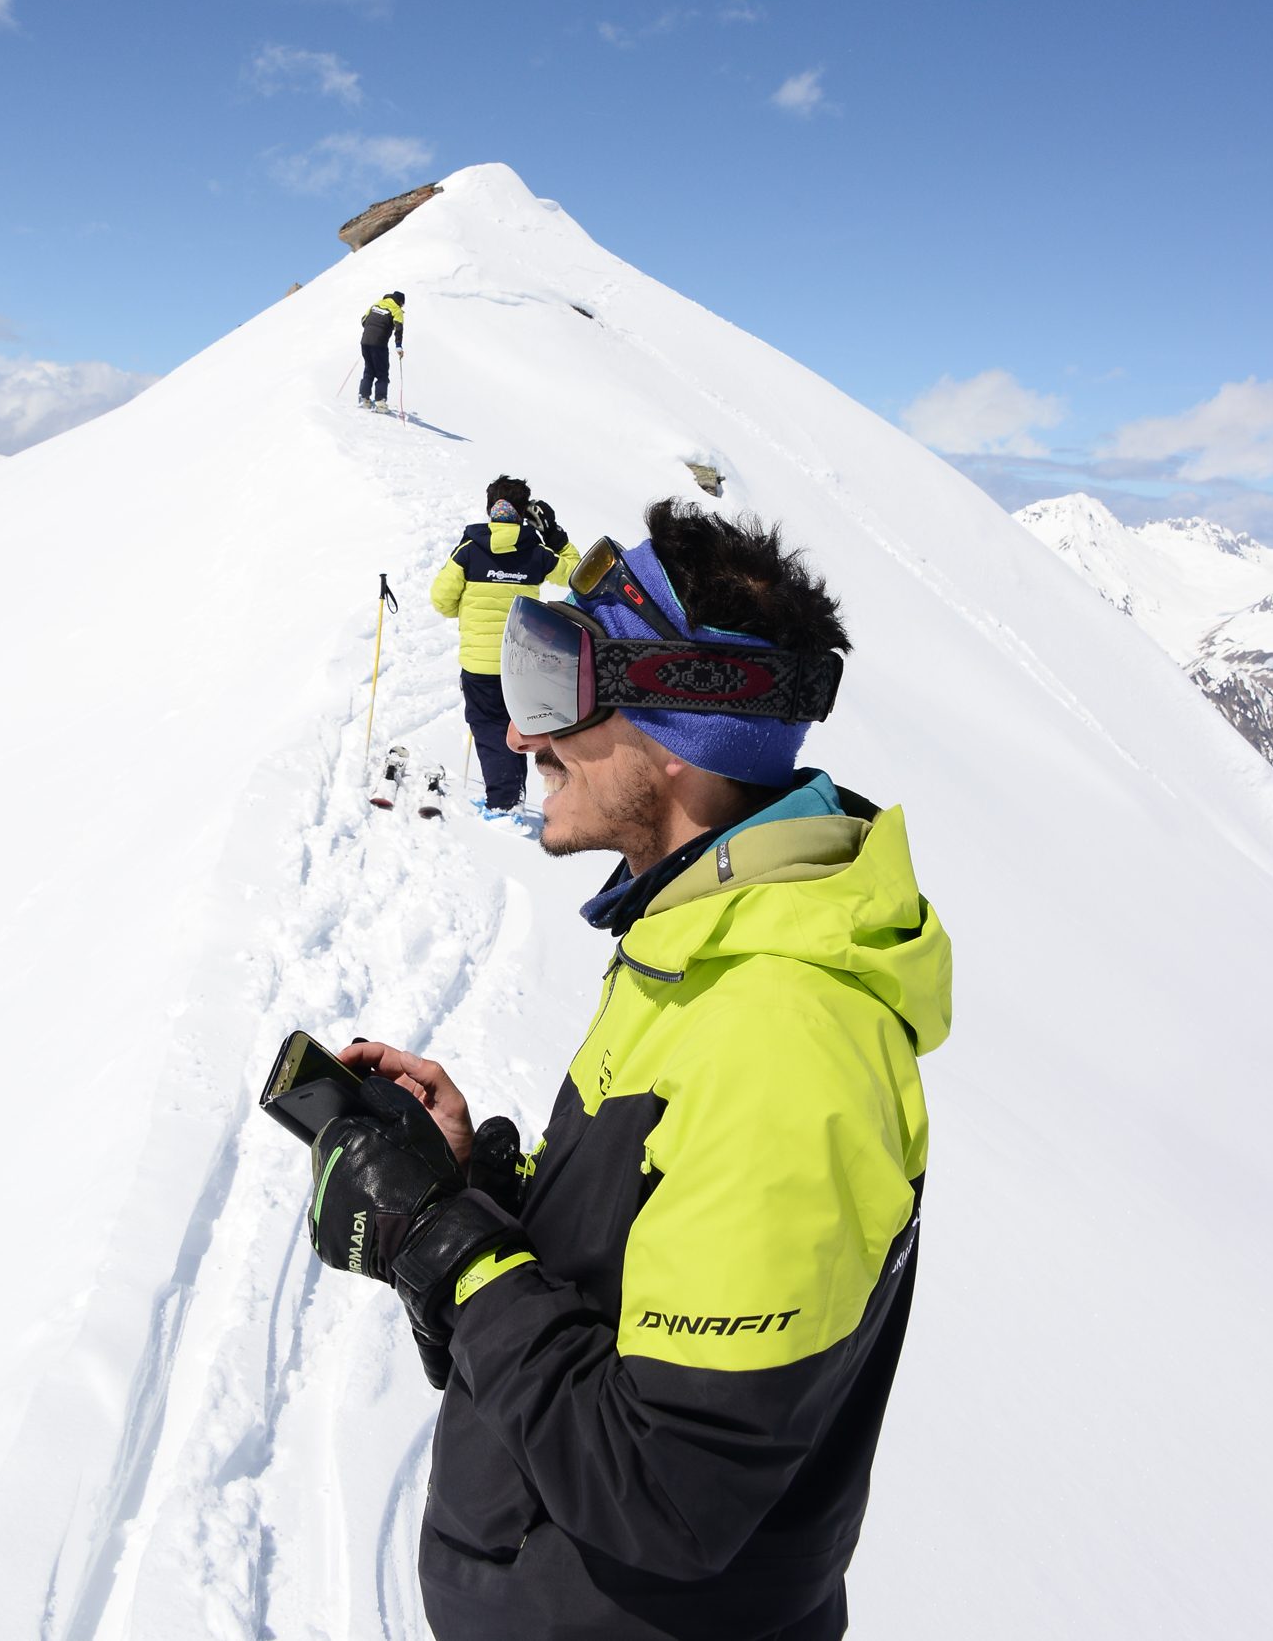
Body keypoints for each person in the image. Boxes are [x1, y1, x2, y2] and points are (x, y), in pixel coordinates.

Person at [308, 498, 952, 1641]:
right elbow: (631, 1270)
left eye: (555, 683)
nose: (518, 734)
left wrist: (447, 1252)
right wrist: (478, 1190)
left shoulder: (786, 1042)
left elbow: (664, 1493)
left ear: (681, 736)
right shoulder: (700, 941)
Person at [430, 477, 579, 820]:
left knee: (489, 730)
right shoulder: (536, 551)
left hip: (479, 663)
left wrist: (464, 611)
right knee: (519, 729)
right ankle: (514, 795)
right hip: (522, 664)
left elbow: (440, 600)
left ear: (490, 508)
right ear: (525, 512)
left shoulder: (469, 549)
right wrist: (555, 535)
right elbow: (577, 575)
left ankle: (503, 803)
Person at [359, 290, 404, 412]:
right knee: (382, 373)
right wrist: (398, 346)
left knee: (369, 369)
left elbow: (363, 320)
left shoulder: (376, 304)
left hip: (365, 341)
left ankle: (364, 398)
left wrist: (371, 331)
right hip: (379, 344)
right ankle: (380, 402)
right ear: (400, 302)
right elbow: (398, 328)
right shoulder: (396, 310)